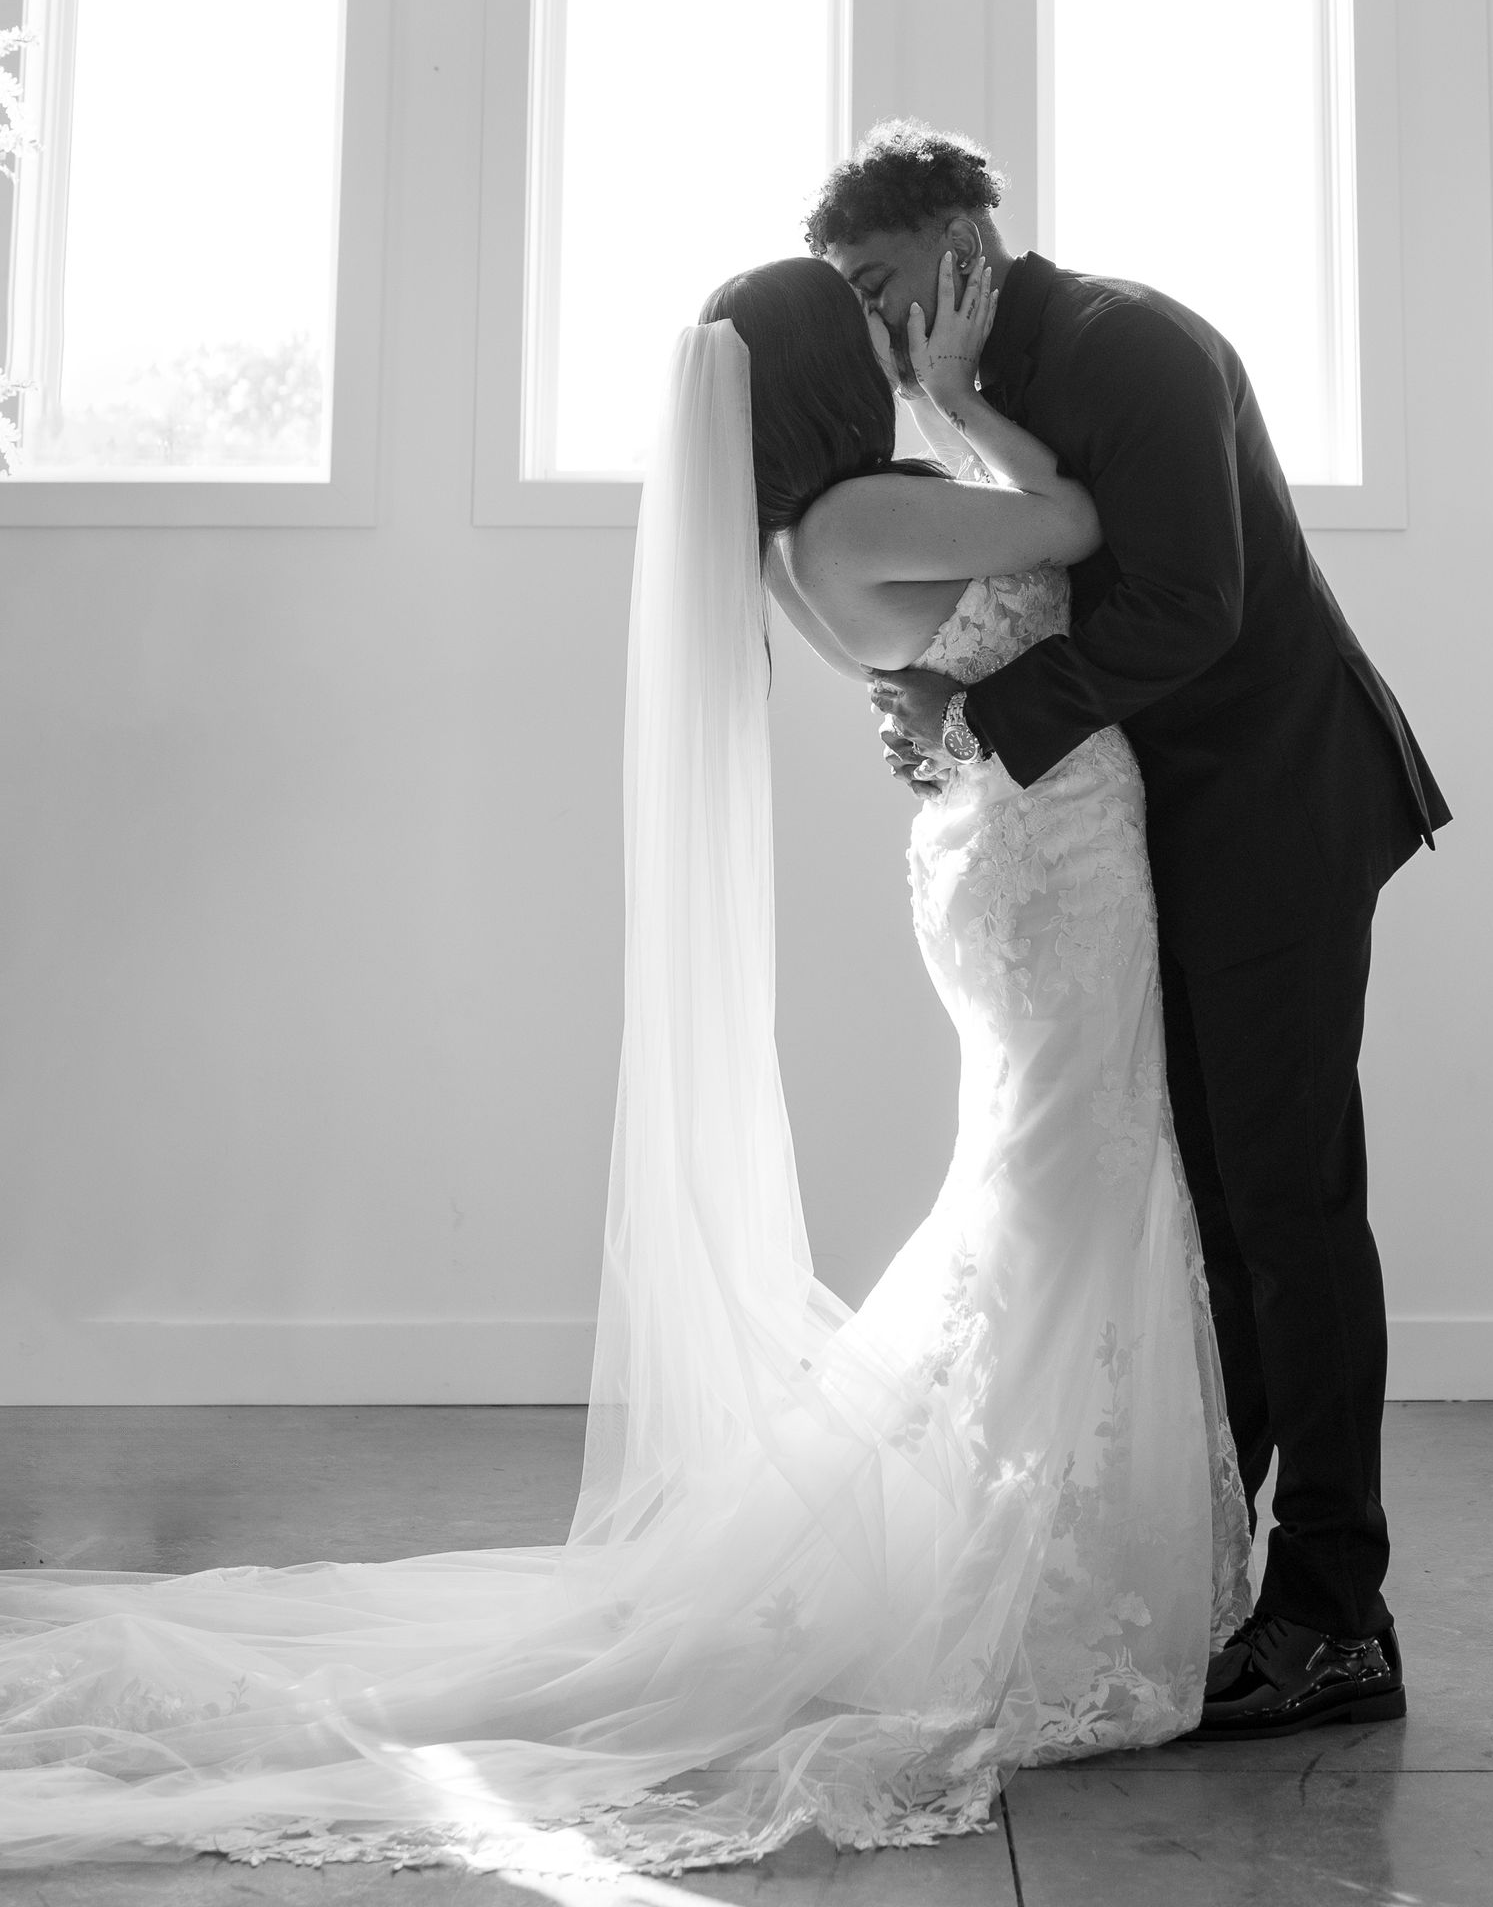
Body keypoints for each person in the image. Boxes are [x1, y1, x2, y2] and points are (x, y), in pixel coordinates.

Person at [0, 259, 1248, 1877]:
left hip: (1024, 851)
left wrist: (941, 421)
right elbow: (1080, 526)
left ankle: (1046, 1539)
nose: (904, 353)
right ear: (823, 376)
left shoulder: (836, 528)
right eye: (879, 340)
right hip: (1045, 868)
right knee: (1059, 1196)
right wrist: (962, 403)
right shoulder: (862, 524)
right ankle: (1034, 1568)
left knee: (1048, 1194)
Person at [810, 120, 1450, 1736]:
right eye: (856, 302)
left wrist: (977, 698)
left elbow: (1192, 606)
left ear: (968, 242)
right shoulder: (989, 398)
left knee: (1290, 1209)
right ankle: (1204, 1581)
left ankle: (1337, 1617)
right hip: (1170, 831)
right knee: (1212, 1208)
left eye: (886, 287)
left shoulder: (1130, 346)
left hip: (1282, 813)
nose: (878, 331)